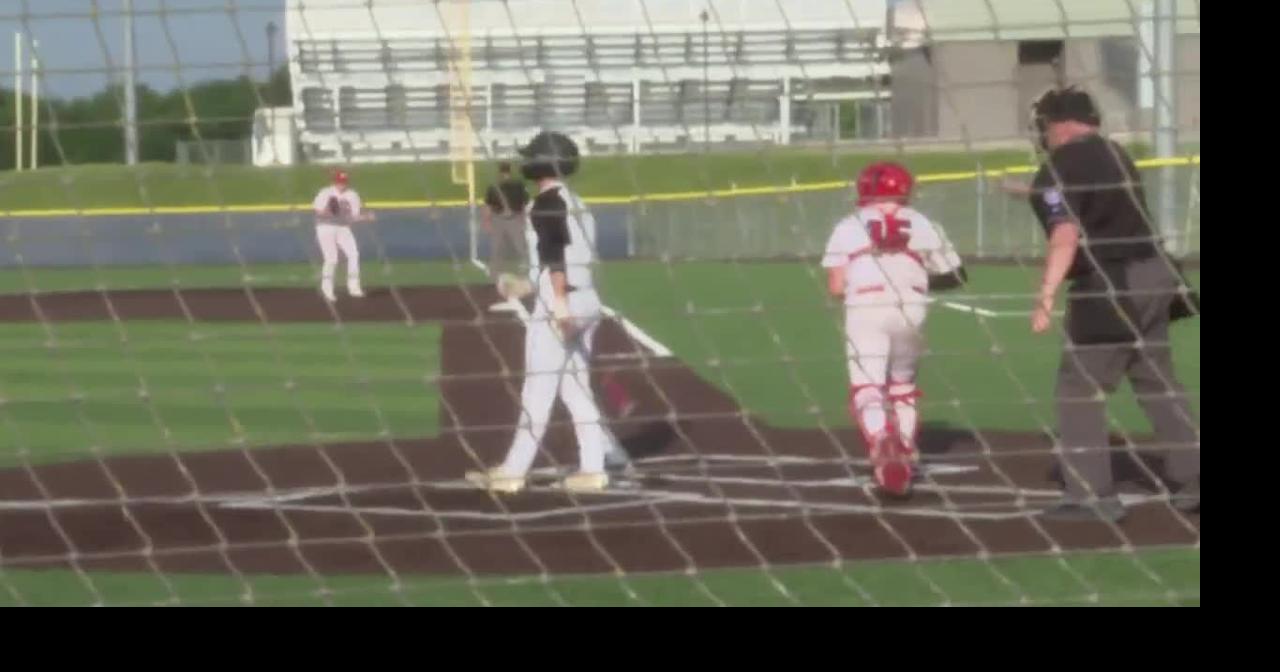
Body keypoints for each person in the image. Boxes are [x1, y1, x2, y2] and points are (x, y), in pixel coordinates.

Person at [1021, 86, 1200, 521]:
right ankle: (1194, 478)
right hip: (1159, 275)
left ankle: (1090, 496)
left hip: (1112, 283)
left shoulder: (1057, 167)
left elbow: (1065, 235)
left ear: (1054, 125)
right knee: (1157, 381)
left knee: (1080, 388)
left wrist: (1045, 295)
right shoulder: (1115, 153)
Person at [467, 131, 630, 494]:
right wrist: (527, 286)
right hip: (586, 299)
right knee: (575, 388)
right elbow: (570, 259)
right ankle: (593, 468)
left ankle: (513, 472)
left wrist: (557, 305)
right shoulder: (578, 202)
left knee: (537, 391)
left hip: (563, 304)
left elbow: (556, 258)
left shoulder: (546, 203)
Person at [821, 162, 967, 496]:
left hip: (865, 308)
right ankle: (902, 445)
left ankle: (882, 441)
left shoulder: (849, 224)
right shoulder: (924, 223)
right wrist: (909, 274)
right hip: (911, 308)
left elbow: (835, 285)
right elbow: (957, 275)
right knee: (902, 385)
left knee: (867, 387)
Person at [312, 169, 375, 302]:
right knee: (331, 259)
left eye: (344, 182)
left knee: (354, 254)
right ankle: (327, 290)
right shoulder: (325, 193)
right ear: (334, 182)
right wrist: (333, 210)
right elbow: (318, 211)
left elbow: (353, 217)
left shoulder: (352, 195)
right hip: (326, 228)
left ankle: (354, 288)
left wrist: (365, 217)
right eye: (339, 182)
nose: (342, 185)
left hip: (343, 228)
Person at [483, 162, 532, 300]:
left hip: (506, 219)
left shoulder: (514, 186)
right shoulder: (500, 186)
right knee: (503, 248)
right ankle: (498, 277)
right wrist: (487, 221)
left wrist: (486, 221)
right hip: (506, 219)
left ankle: (521, 274)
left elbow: (524, 203)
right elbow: (489, 205)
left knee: (514, 247)